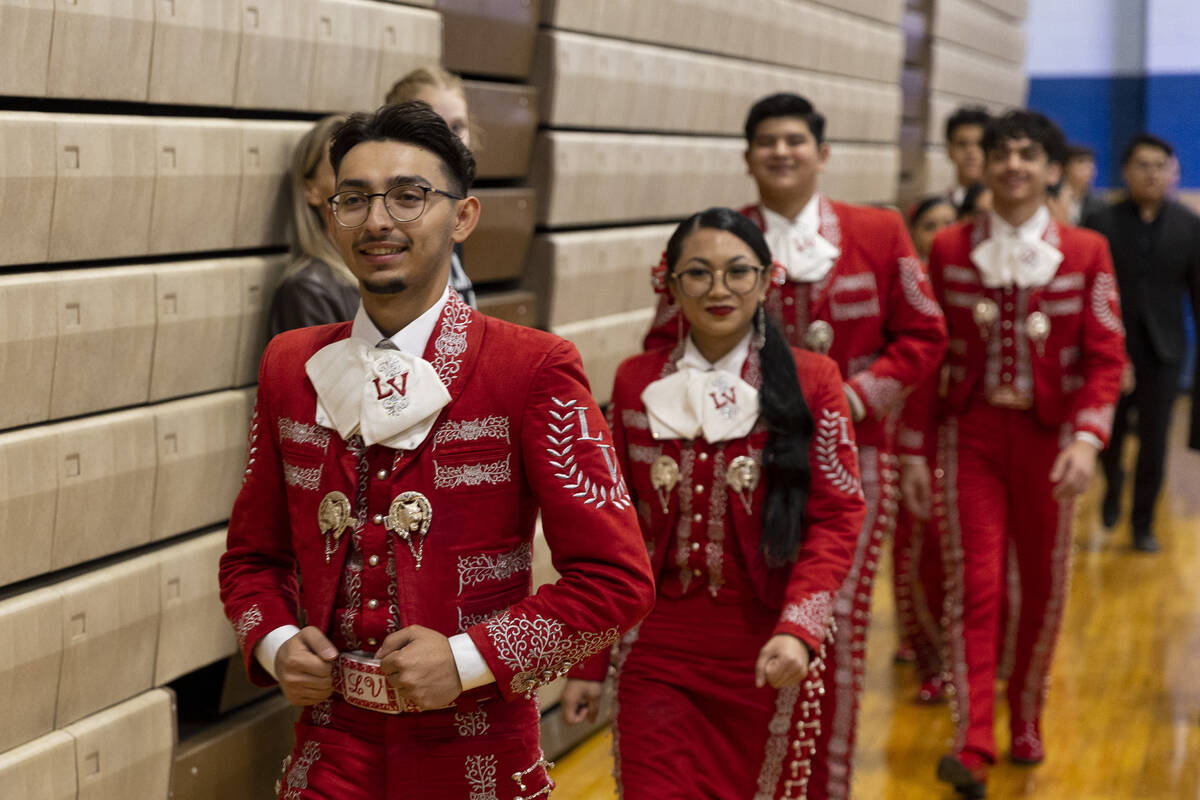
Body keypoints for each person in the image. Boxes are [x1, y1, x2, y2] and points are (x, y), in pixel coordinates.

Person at [218, 102, 655, 799]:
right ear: (330, 217)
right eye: (353, 199)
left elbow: (616, 581)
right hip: (329, 748)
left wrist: (465, 659)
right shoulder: (289, 365)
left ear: (463, 217)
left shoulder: (531, 367)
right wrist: (272, 642)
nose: (377, 220)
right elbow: (251, 558)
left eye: (409, 196)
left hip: (477, 748)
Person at [644, 93, 947, 800]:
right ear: (748, 157)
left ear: (822, 153)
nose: (782, 153)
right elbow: (663, 341)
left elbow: (925, 334)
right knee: (752, 620)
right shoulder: (712, 238)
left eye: (795, 141)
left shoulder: (882, 231)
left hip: (852, 456)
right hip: (736, 461)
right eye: (767, 142)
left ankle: (826, 787)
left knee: (828, 624)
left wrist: (853, 395)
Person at [562, 207, 866, 799]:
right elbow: (607, 534)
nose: (719, 289)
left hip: (768, 649)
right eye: (698, 273)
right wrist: (589, 663)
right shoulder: (634, 383)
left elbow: (838, 515)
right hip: (657, 649)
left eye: (737, 272)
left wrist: (800, 629)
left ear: (765, 279)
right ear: (670, 285)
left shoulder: (813, 381)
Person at [903, 110, 1125, 797]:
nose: (1013, 166)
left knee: (1044, 585)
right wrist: (913, 449)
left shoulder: (1086, 249)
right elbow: (926, 350)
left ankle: (1026, 711)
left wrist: (1088, 438)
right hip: (969, 436)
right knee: (977, 584)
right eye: (1002, 154)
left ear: (1051, 169)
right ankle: (971, 740)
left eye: (1029, 155)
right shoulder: (948, 248)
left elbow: (1105, 357)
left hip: (1048, 440)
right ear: (986, 165)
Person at [1085, 133, 1200, 552]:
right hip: (1110, 352)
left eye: (1160, 166)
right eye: (1143, 165)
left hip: (1165, 352)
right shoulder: (1101, 223)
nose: (1151, 173)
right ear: (1126, 172)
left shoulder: (1190, 226)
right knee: (1108, 436)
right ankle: (1113, 483)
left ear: (1174, 173)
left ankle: (1143, 523)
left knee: (1155, 440)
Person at [892, 196, 956, 698]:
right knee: (913, 550)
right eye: (928, 225)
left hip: (960, 434)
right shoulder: (906, 292)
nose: (939, 234)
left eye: (948, 225)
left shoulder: (970, 287)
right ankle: (927, 655)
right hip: (909, 437)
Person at [386, 65, 477, 307]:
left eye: (457, 127)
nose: (448, 140)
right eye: (432, 125)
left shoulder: (452, 208)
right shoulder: (388, 218)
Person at [268, 114, 360, 337]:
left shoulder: (380, 271)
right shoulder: (306, 290)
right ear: (311, 190)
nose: (359, 182)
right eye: (342, 171)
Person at [945, 107, 992, 207]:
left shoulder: (1005, 207)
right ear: (949, 150)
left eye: (980, 144)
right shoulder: (934, 211)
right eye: (962, 144)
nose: (971, 152)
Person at [1061, 145, 1106, 226]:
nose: (1089, 167)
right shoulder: (1050, 198)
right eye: (1081, 161)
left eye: (1091, 162)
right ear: (1065, 167)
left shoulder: (1099, 205)